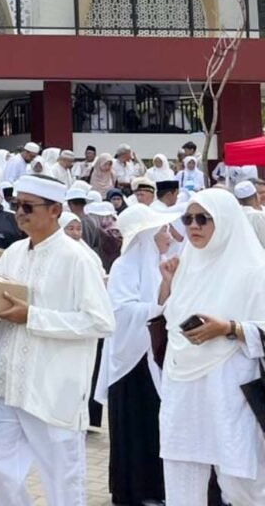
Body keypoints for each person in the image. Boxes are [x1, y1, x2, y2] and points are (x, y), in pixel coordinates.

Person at [0, 174, 115, 506]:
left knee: (61, 478)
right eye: (16, 205)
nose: (20, 213)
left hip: (53, 387)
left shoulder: (78, 259)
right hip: (6, 381)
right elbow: (0, 306)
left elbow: (101, 322)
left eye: (28, 206)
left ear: (55, 210)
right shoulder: (13, 252)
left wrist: (33, 316)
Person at [156, 189, 265, 506]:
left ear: (226, 221)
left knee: (243, 484)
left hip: (230, 385)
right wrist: (168, 282)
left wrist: (229, 328)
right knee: (181, 476)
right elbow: (170, 319)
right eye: (188, 219)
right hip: (183, 385)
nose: (194, 226)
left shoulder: (255, 271)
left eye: (203, 218)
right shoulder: (187, 266)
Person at [94, 204, 172, 506]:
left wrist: (166, 289)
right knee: (133, 425)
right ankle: (132, 491)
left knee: (153, 423)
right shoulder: (125, 266)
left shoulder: (159, 264)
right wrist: (158, 308)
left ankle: (154, 487)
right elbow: (121, 312)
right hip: (130, 358)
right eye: (163, 229)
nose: (168, 235)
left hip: (153, 355)